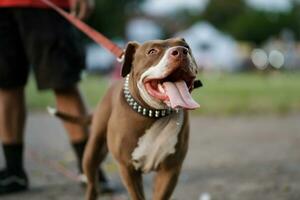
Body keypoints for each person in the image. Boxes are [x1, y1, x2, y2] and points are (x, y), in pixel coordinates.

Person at [0, 0, 110, 195]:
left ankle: (89, 169)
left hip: (46, 5)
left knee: (63, 83)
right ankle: (13, 171)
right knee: (6, 87)